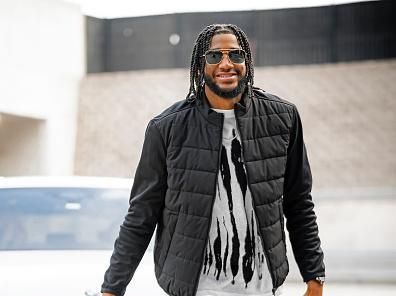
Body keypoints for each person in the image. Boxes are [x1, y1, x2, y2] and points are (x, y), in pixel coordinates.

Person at [101, 24, 325, 296]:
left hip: (263, 288)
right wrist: (113, 288)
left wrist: (314, 276)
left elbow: (299, 202)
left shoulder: (283, 119)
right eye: (215, 56)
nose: (226, 64)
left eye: (236, 55)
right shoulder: (167, 128)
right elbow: (141, 214)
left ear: (247, 62)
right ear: (199, 66)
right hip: (196, 289)